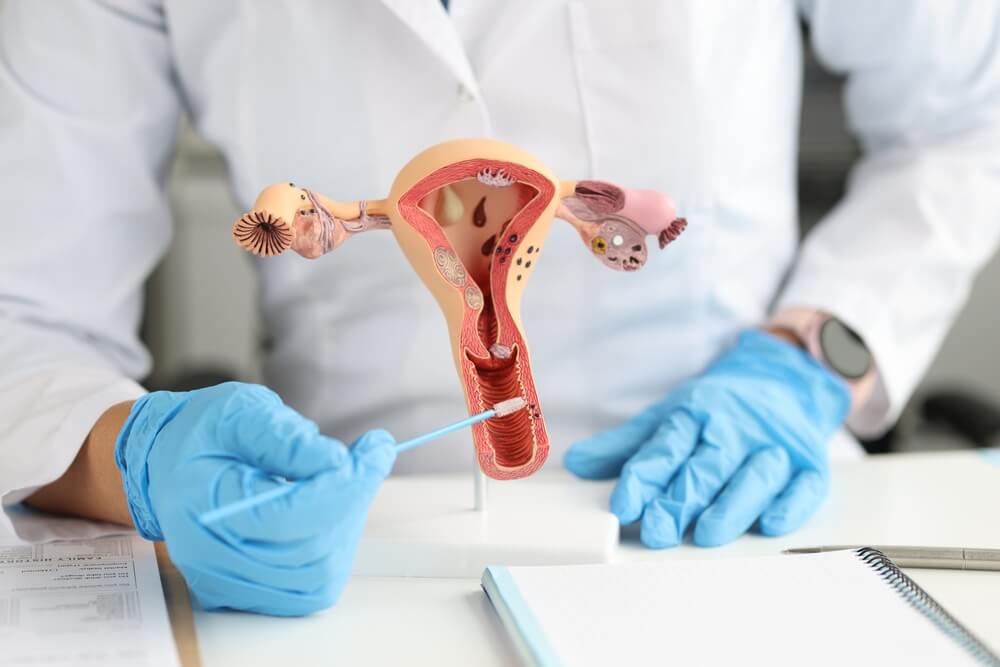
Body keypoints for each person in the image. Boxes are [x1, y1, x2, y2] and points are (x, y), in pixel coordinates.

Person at [2, 1, 999, 616]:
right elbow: (28, 316)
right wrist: (137, 457)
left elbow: (962, 119)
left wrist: (808, 357)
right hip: (351, 548)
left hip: (748, 517)